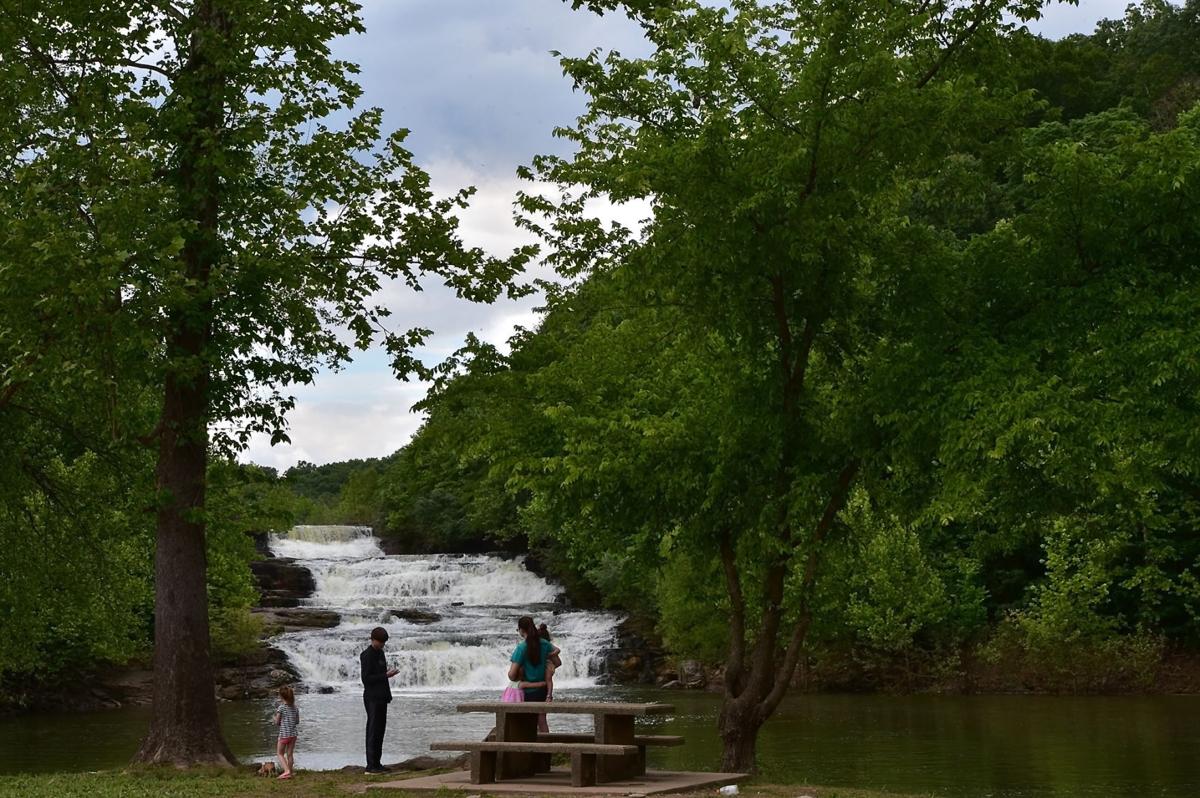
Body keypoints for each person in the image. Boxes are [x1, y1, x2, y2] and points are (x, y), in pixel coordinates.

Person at [361, 626, 398, 774]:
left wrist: (387, 677)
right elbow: (366, 679)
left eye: (383, 643)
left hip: (382, 697)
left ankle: (377, 762)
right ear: (373, 639)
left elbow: (381, 675)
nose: (382, 645)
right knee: (373, 731)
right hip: (372, 698)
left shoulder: (380, 653)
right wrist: (386, 675)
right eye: (380, 642)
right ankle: (370, 765)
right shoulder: (366, 655)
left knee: (380, 731)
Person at [507, 616, 561, 703]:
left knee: (528, 716)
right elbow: (557, 663)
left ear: (521, 630)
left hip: (527, 692)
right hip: (543, 690)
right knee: (541, 715)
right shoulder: (545, 643)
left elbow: (512, 675)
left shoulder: (521, 648)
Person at [272, 685, 299, 780]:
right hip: (293, 734)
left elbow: (277, 722)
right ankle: (290, 772)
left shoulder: (281, 708)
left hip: (284, 735)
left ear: (281, 696)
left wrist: (274, 718)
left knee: (279, 753)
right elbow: (297, 721)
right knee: (290, 754)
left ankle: (286, 771)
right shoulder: (295, 708)